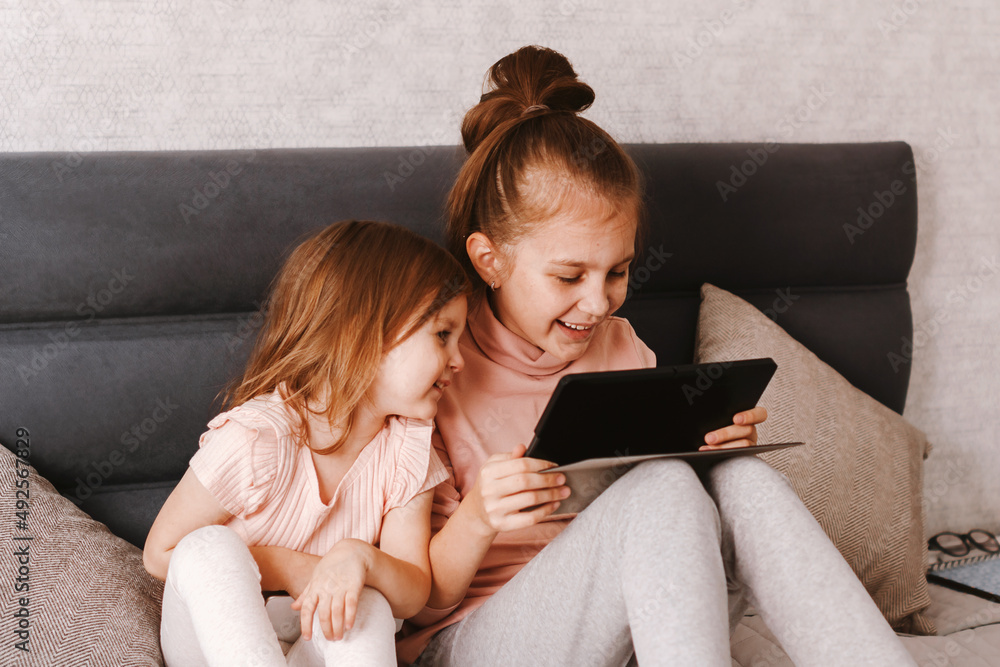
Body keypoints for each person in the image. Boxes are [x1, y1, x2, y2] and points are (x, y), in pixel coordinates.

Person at [396, 46, 916, 667]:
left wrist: (708, 454)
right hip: (477, 637)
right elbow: (414, 606)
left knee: (736, 476)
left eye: (618, 271)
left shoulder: (619, 344)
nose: (597, 303)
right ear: (490, 261)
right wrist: (479, 515)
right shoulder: (432, 370)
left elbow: (662, 521)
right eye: (568, 276)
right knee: (663, 486)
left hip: (633, 618)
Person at [143, 220, 471, 667]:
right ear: (362, 331)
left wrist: (359, 559)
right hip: (214, 644)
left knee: (370, 603)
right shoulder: (259, 437)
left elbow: (413, 593)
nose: (459, 360)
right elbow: (161, 554)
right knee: (208, 548)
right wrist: (295, 568)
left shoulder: (407, 452)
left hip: (310, 645)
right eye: (442, 335)